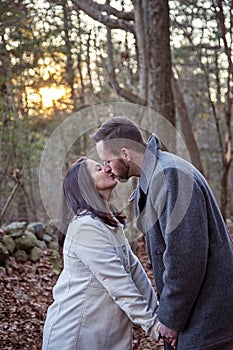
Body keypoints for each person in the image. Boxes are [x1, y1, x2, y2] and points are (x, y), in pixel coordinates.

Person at [93, 116, 233, 350]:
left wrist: (171, 319)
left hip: (208, 319)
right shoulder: (158, 175)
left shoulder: (170, 176)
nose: (106, 168)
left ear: (126, 154)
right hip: (199, 316)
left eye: (107, 161)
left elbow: (184, 257)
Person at [42, 157, 162, 350]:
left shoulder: (109, 223)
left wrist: (159, 314)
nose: (107, 168)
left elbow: (135, 272)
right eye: (99, 169)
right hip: (76, 335)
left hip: (106, 334)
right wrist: (154, 326)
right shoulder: (85, 226)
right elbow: (118, 283)